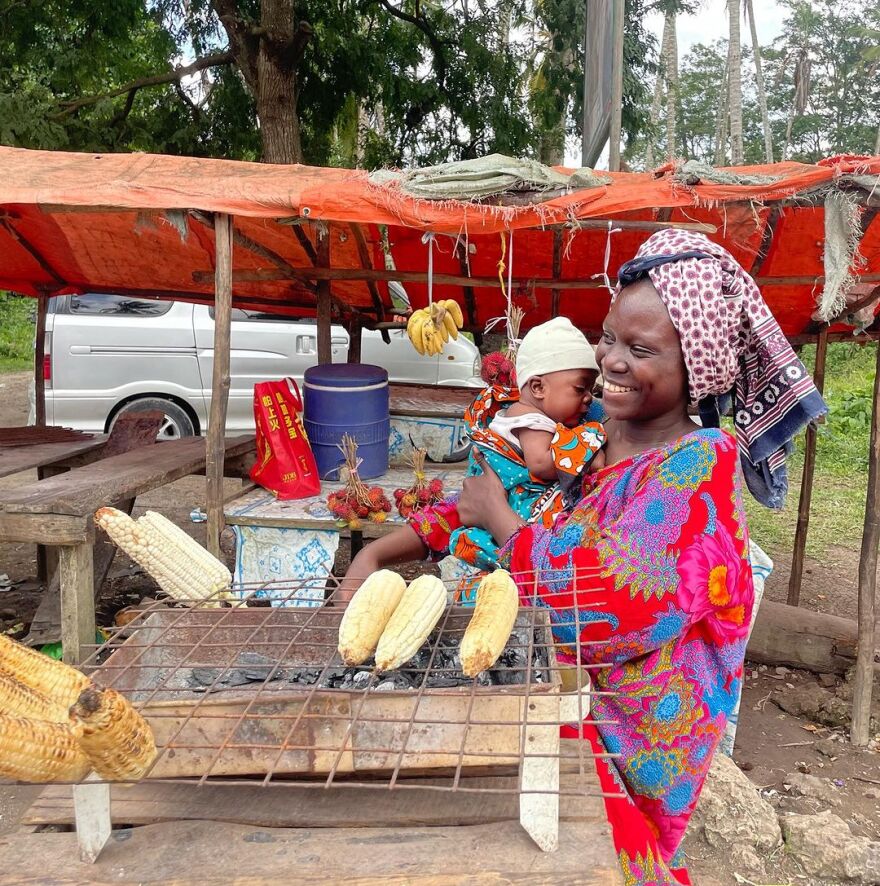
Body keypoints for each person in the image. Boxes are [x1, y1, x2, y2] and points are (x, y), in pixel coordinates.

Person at [339, 230, 826, 885]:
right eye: (609, 338)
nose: (611, 361)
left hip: (622, 749)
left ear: (697, 368)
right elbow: (485, 493)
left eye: (640, 349)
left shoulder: (696, 473)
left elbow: (603, 611)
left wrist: (502, 524)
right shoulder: (597, 432)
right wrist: (374, 553)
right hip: (556, 702)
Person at [448, 316, 606, 574]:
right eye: (580, 389)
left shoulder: (527, 414)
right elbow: (540, 463)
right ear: (538, 387)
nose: (589, 399)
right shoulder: (531, 420)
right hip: (513, 508)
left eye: (592, 390)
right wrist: (589, 457)